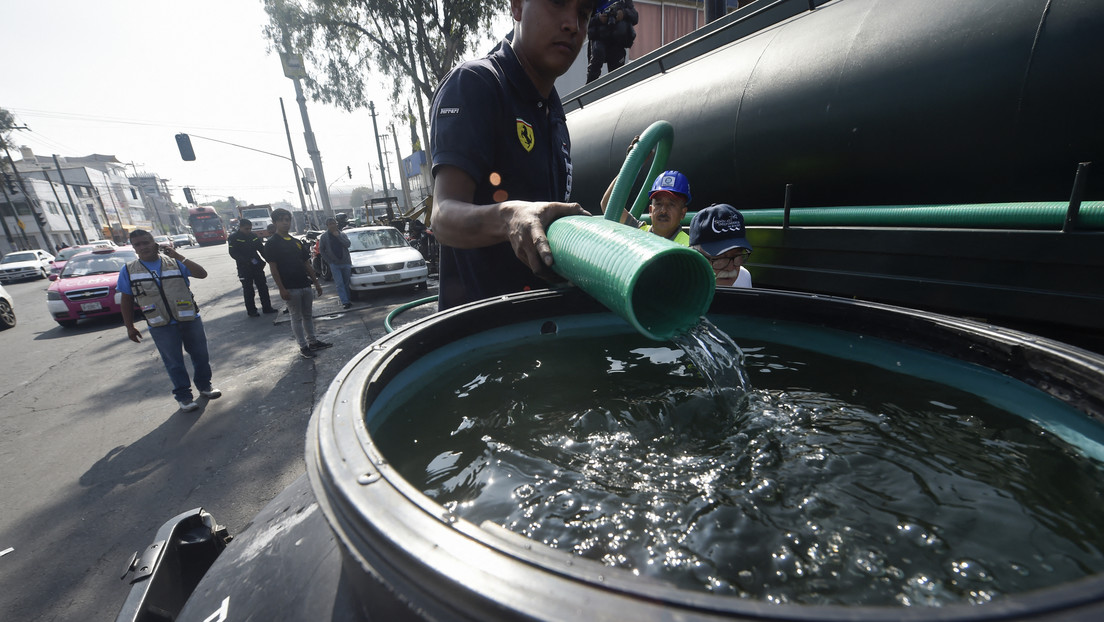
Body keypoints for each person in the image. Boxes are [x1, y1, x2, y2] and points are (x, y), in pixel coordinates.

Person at [429, 0, 597, 311]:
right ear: (517, 7)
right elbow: (442, 217)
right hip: (482, 337)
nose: (573, 24)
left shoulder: (554, 114)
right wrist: (510, 218)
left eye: (584, 14)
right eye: (558, 4)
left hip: (543, 332)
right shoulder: (475, 84)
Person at [118, 229, 222, 412]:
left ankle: (205, 387)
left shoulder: (174, 262)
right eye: (138, 245)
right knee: (174, 362)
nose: (143, 247)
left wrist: (179, 256)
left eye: (146, 242)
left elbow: (202, 274)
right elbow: (126, 299)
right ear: (134, 248)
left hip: (189, 318)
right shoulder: (129, 270)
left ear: (154, 242)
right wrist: (129, 326)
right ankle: (184, 397)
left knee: (200, 355)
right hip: (161, 325)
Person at [264, 208, 332, 359]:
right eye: (281, 220)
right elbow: (273, 269)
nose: (285, 223)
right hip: (290, 287)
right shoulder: (271, 244)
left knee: (308, 315)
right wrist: (281, 289)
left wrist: (317, 283)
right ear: (275, 222)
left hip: (305, 284)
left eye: (287, 220)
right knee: (296, 317)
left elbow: (307, 264)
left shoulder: (296, 242)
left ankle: (313, 341)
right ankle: (303, 346)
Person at [600, 167, 692, 245]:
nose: (663, 210)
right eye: (659, 204)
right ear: (650, 210)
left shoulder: (690, 249)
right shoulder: (637, 231)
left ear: (683, 213)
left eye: (671, 205)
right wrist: (631, 166)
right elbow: (609, 205)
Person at [689, 203, 753, 288]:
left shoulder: (743, 278)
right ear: (696, 258)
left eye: (737, 256)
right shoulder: (676, 286)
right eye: (720, 258)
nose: (730, 268)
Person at [227, 218, 278, 317]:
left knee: (263, 287)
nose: (248, 231)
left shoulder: (253, 236)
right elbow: (233, 253)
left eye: (250, 229)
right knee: (248, 290)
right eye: (246, 229)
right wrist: (245, 261)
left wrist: (269, 260)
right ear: (240, 227)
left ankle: (267, 308)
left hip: (256, 265)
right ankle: (252, 311)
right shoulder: (234, 238)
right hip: (244, 267)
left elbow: (261, 249)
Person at [586, 0, 638, 84]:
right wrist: (598, 18)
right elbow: (583, 19)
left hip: (617, 42)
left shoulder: (624, 2)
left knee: (617, 78)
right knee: (595, 65)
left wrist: (623, 14)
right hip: (599, 39)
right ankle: (588, 91)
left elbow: (635, 17)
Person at [318, 217, 353, 309]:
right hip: (334, 264)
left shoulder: (342, 234)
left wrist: (338, 236)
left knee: (346, 282)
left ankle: (348, 299)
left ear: (336, 224)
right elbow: (321, 249)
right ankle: (345, 302)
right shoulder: (324, 237)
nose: (333, 225)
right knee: (339, 283)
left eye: (334, 223)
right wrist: (328, 260)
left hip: (345, 262)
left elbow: (348, 244)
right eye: (330, 224)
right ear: (327, 226)